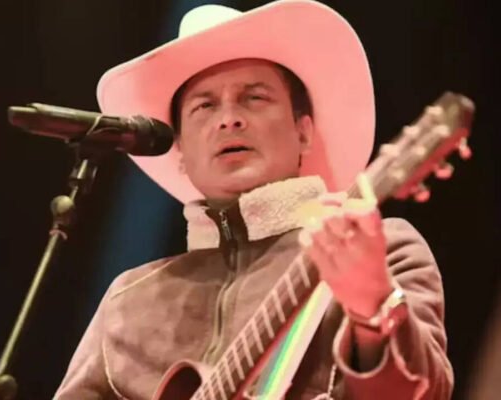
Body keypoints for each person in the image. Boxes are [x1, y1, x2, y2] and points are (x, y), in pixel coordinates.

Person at [55, 1, 453, 399]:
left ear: (304, 132)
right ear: (180, 153)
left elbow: (424, 393)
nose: (229, 118)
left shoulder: (379, 249)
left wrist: (375, 308)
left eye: (254, 98)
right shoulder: (128, 301)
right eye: (205, 106)